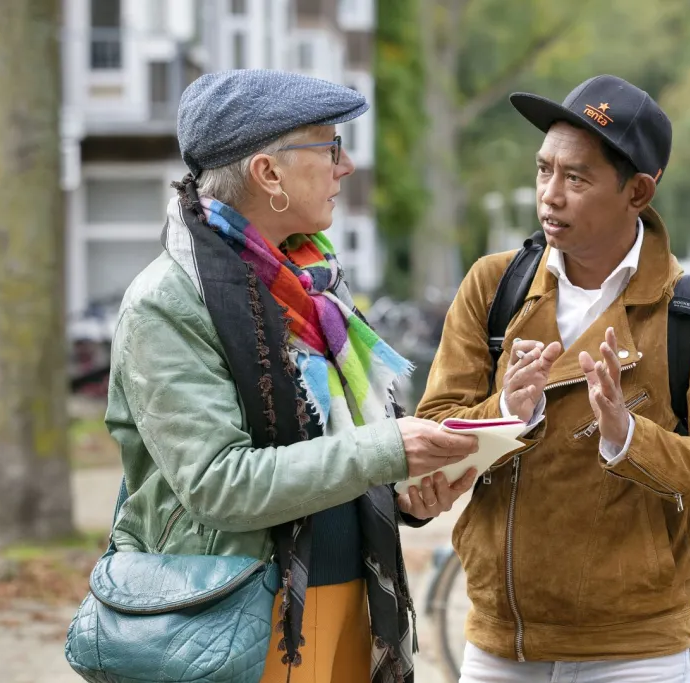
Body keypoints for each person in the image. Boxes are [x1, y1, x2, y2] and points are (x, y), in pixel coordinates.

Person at [105, 69, 478, 683]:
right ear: (268, 173)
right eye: (329, 146)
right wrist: (386, 449)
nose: (347, 165)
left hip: (352, 602)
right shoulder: (167, 302)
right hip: (233, 618)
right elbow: (219, 484)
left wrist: (407, 492)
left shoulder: (314, 286)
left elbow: (342, 455)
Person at [415, 75, 690, 682]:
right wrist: (509, 411)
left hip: (637, 651)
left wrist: (629, 437)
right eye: (543, 170)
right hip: (502, 643)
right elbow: (428, 439)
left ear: (638, 191)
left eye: (576, 178)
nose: (550, 195)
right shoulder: (494, 286)